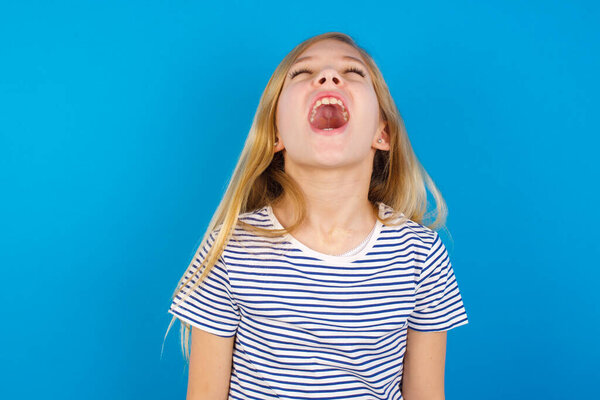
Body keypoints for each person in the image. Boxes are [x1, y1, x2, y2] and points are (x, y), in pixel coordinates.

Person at [165, 31, 469, 400]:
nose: (327, 77)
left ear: (382, 132)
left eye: (353, 72)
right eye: (302, 73)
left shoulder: (420, 254)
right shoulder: (231, 249)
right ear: (276, 134)